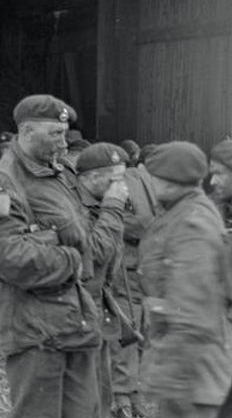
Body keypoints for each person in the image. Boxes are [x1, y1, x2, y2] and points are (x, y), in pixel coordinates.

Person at [0, 95, 103, 417]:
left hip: (72, 322)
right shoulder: (2, 181)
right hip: (33, 329)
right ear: (27, 130)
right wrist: (73, 261)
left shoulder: (58, 173)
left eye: (64, 133)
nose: (64, 143)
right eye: (55, 134)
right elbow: (7, 255)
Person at [139, 142, 232, 418]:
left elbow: (191, 309)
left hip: (191, 367)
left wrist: (173, 376)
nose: (150, 183)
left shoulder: (192, 221)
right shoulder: (179, 210)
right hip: (186, 360)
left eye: (153, 177)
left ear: (170, 180)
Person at [75, 143, 131, 418]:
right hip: (79, 308)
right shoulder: (74, 208)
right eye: (115, 179)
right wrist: (113, 206)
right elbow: (93, 254)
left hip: (99, 303)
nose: (121, 186)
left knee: (102, 389)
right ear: (91, 178)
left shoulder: (101, 204)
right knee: (87, 392)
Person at [110, 143, 160, 418]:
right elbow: (131, 221)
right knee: (127, 330)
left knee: (143, 330)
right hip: (126, 265)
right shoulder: (129, 180)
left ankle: (133, 393)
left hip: (146, 267)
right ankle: (121, 396)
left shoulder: (154, 187)